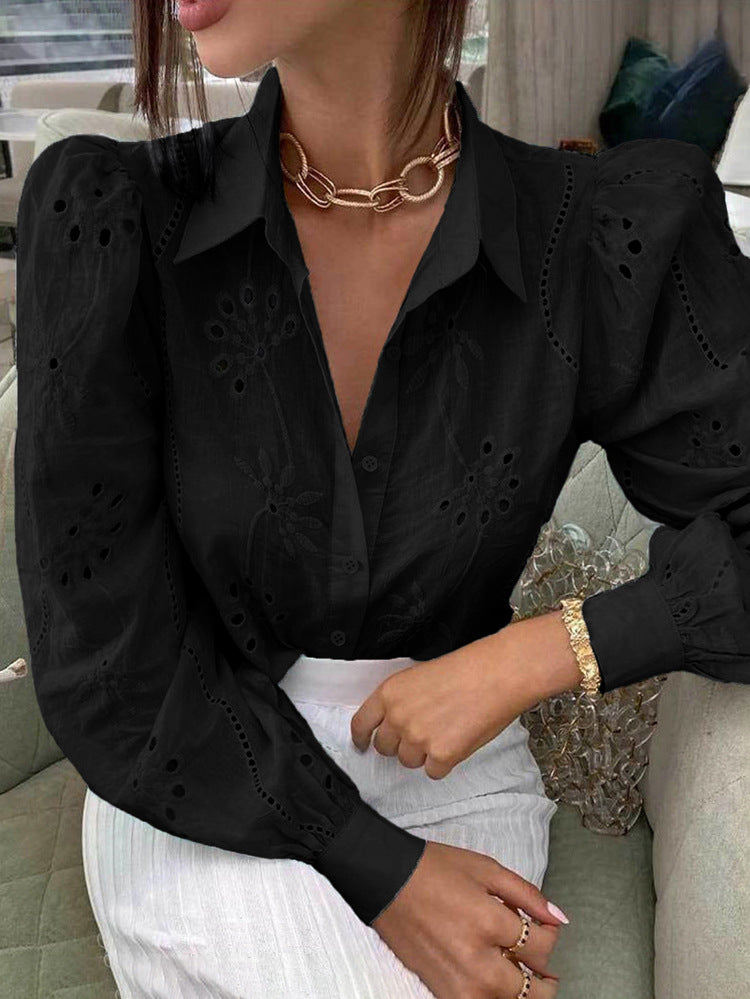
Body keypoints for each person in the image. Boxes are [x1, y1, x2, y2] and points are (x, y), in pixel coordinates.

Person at [13, 1, 750, 997]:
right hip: (194, 764)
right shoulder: (114, 218)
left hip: (451, 766)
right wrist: (380, 872)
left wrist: (540, 652)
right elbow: (105, 657)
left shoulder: (598, 236)